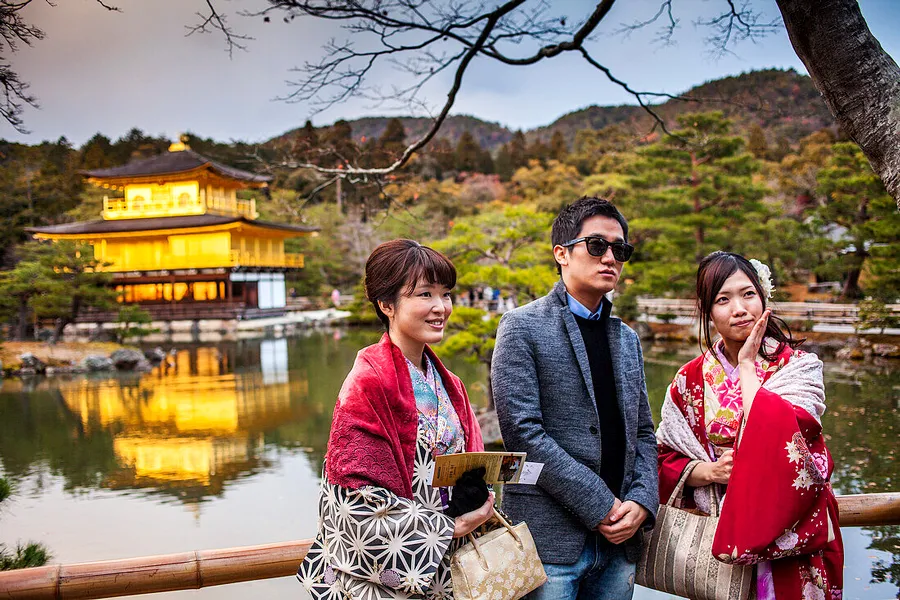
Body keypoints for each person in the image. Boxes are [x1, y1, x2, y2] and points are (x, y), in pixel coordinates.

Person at [298, 239, 494, 600]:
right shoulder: (367, 384)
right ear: (386, 305)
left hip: (450, 567)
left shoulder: (450, 383)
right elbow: (351, 501)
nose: (441, 307)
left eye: (445, 294)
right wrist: (446, 527)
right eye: (424, 295)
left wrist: (479, 496)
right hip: (398, 571)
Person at [492, 197, 658, 600]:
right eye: (597, 246)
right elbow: (522, 434)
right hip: (552, 543)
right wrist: (601, 504)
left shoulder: (626, 338)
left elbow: (644, 434)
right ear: (561, 254)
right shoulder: (521, 326)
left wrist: (641, 501)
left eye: (620, 250)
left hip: (620, 543)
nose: (611, 259)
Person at [656, 251, 843, 599]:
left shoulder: (800, 368)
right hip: (718, 538)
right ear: (707, 311)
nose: (739, 308)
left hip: (789, 534)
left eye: (748, 294)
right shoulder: (689, 379)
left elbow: (793, 443)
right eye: (723, 300)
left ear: (763, 296)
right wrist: (709, 471)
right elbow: (662, 456)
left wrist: (746, 367)